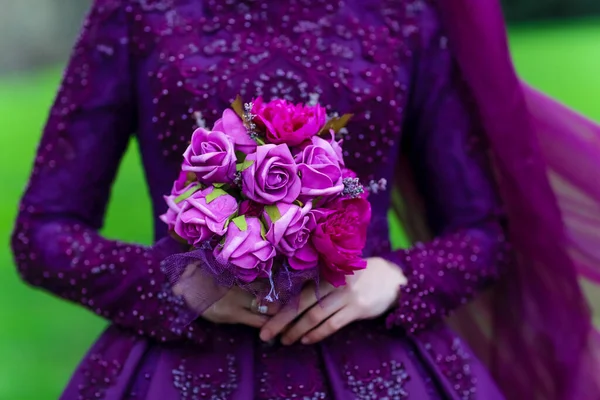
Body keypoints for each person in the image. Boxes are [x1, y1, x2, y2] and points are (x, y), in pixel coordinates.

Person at [11, 0, 600, 398]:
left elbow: (483, 232)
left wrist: (394, 281)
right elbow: (42, 231)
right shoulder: (140, 13)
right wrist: (176, 283)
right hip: (184, 357)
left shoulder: (402, 15)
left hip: (380, 358)